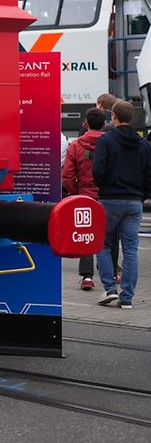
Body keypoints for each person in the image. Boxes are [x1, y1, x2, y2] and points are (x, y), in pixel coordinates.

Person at [91, 100, 149, 309]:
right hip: (134, 201)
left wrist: (104, 187)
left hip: (110, 199)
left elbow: (97, 170)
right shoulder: (143, 144)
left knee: (103, 243)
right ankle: (127, 298)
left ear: (113, 117)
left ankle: (110, 289)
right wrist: (141, 196)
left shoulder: (106, 140)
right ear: (132, 118)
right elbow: (148, 175)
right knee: (131, 249)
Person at [63, 108, 111, 290]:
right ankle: (112, 273)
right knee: (108, 235)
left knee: (85, 234)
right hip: (107, 194)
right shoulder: (110, 143)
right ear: (105, 124)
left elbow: (67, 174)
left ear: (85, 124)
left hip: (84, 194)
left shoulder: (75, 145)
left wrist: (76, 192)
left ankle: (87, 277)